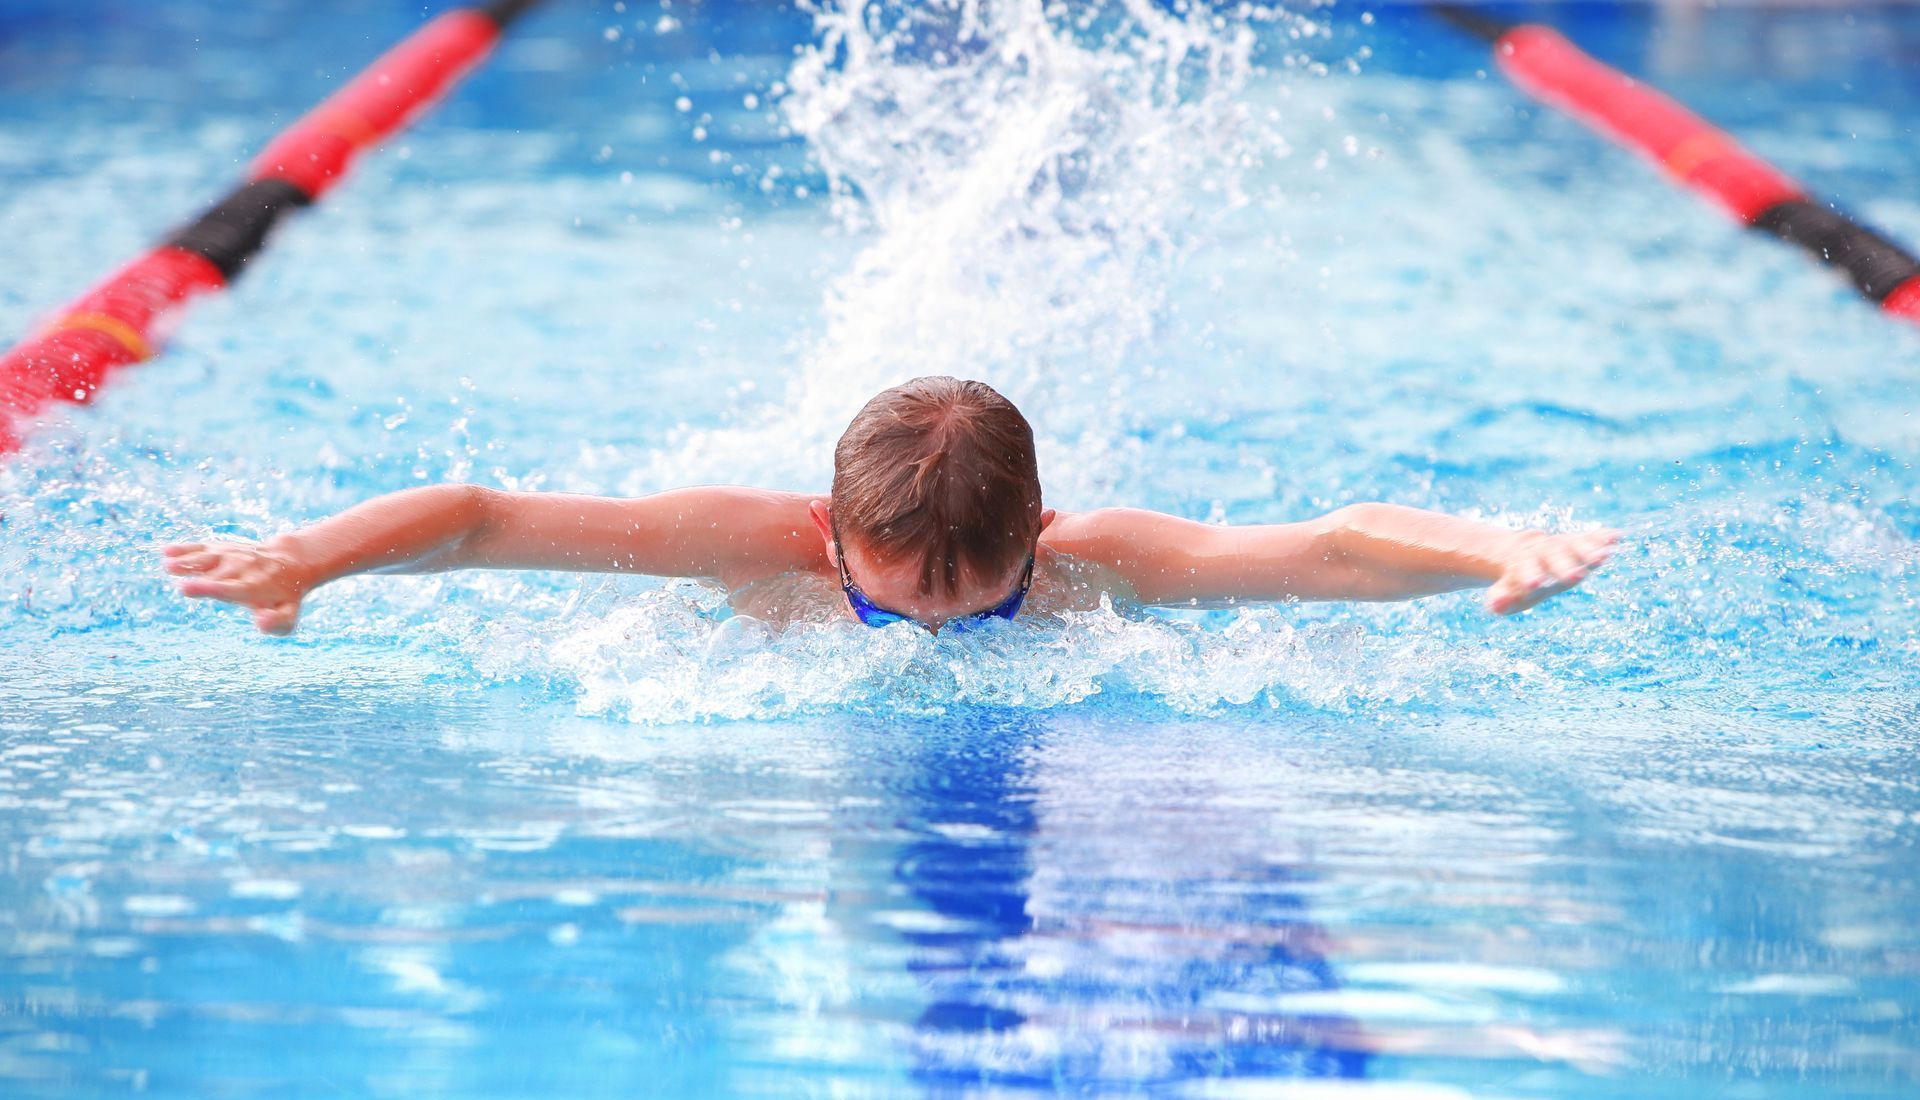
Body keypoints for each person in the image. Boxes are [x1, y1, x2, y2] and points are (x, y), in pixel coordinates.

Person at [163, 375, 1617, 636]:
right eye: (882, 600)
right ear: (828, 533)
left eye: (971, 607)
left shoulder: (1093, 568)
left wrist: (1500, 542)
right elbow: (486, 516)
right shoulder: (749, 543)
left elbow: (1332, 548)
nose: (923, 633)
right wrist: (306, 560)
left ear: (1037, 541)